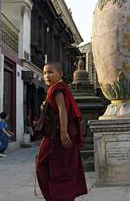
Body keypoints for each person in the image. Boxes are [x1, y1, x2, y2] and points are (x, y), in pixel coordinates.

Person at [35, 61, 87, 200]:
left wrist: (63, 132)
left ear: (60, 74)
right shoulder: (54, 88)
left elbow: (62, 110)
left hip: (58, 135)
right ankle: (60, 196)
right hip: (53, 134)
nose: (47, 76)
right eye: (45, 73)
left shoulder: (58, 89)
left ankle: (59, 196)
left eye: (51, 72)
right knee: (58, 165)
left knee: (51, 166)